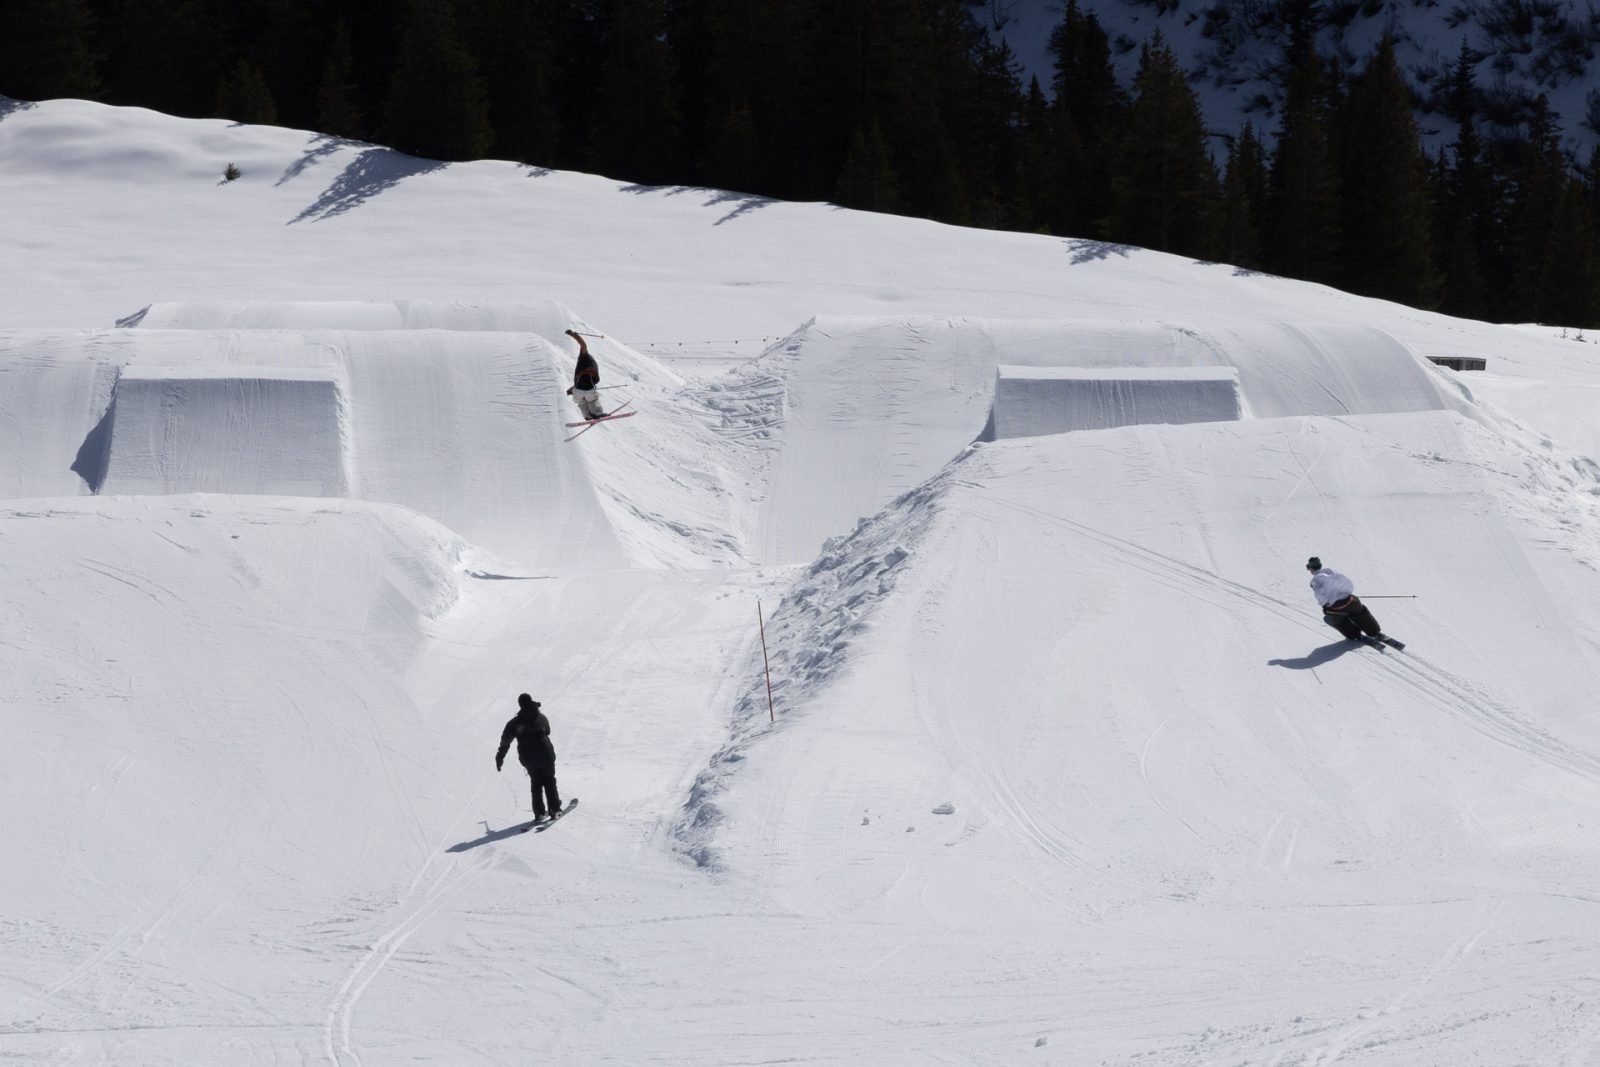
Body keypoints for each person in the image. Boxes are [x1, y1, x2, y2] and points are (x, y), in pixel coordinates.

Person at [495, 693, 563, 820]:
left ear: (520, 705)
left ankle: (539, 812)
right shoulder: (541, 717)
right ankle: (554, 809)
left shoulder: (514, 723)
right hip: (546, 755)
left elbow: (505, 742)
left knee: (536, 783)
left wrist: (500, 757)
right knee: (549, 781)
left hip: (529, 759)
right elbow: (548, 731)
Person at [1306, 556, 1382, 641]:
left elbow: (1320, 596)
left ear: (1311, 568)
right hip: (1352, 601)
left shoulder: (1315, 581)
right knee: (1361, 612)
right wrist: (1346, 594)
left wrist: (1325, 607)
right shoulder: (1332, 572)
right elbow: (1349, 583)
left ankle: (1355, 634)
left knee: (1338, 622)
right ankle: (1374, 631)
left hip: (1338, 607)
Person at [564, 329, 606, 421]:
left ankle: (587, 417)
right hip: (589, 389)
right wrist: (573, 334)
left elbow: (583, 344)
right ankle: (597, 413)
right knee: (593, 400)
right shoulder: (590, 364)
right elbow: (583, 344)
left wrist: (573, 334)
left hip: (578, 390)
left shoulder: (583, 357)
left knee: (581, 402)